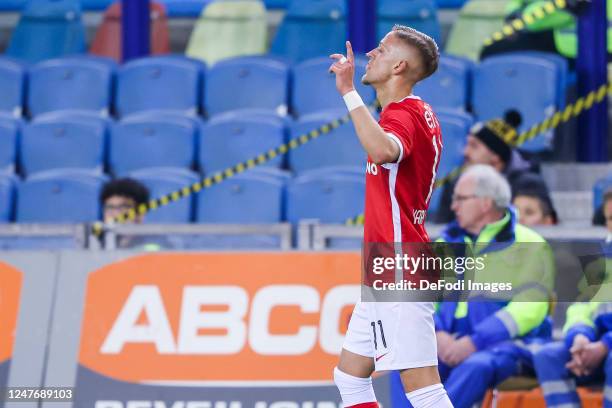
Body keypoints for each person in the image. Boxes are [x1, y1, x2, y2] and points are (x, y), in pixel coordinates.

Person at [328, 25, 451, 408]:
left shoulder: (403, 114)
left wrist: (349, 92)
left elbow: (383, 150)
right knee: (349, 377)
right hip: (388, 265)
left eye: (380, 49)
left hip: (400, 265)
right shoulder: (418, 112)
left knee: (424, 389)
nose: (370, 54)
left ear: (399, 66)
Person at [431, 164, 553, 408]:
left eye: (461, 199)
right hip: (447, 342)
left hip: (512, 346)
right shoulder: (445, 243)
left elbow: (529, 309)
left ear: (485, 203)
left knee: (474, 367)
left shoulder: (530, 243)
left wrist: (475, 341)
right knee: (407, 362)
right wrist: (437, 334)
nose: (453, 206)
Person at [434, 111, 538, 224]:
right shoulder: (455, 185)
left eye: (474, 146)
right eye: (467, 144)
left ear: (496, 156)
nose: (465, 152)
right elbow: (443, 230)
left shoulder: (527, 186)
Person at [480, 0, 609, 65]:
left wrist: (522, 18)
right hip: (560, 37)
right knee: (491, 51)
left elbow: (541, 20)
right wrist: (513, 14)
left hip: (586, 46)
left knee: (492, 53)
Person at [534, 300, 612, 407]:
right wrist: (579, 336)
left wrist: (606, 344)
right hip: (594, 345)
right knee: (548, 356)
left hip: (606, 348)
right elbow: (580, 310)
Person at [100, 178, 166, 250]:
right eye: (110, 207)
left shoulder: (156, 243)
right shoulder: (95, 243)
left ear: (141, 213)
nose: (116, 213)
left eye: (124, 207)